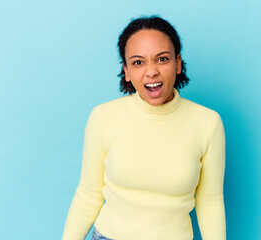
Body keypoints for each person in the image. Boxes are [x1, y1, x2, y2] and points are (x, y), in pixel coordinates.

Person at [62, 15, 226, 240]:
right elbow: (88, 194)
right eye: (138, 62)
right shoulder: (103, 117)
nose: (151, 71)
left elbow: (210, 202)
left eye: (162, 59)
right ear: (127, 71)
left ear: (178, 63)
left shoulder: (208, 123)